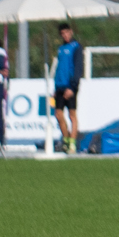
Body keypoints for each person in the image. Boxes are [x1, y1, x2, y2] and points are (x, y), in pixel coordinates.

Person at [51, 22, 85, 154]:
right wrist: (56, 87)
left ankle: (72, 143)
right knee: (58, 114)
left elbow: (78, 68)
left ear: (71, 32)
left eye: (66, 32)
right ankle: (65, 139)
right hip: (60, 86)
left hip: (70, 86)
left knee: (72, 115)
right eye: (62, 33)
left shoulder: (76, 47)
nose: (65, 35)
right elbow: (60, 68)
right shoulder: (61, 48)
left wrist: (73, 86)